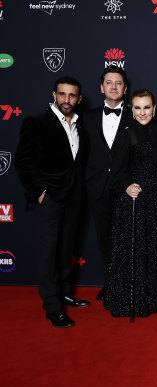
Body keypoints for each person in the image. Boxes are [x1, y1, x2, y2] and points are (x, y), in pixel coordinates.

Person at [14, 76, 90, 328]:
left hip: (74, 196)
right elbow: (23, 161)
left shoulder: (81, 125)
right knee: (48, 253)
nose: (66, 100)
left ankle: (65, 292)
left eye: (71, 96)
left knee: (66, 248)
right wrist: (39, 191)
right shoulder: (36, 122)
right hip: (50, 197)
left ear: (79, 99)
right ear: (54, 95)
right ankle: (52, 305)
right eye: (62, 94)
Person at [103, 89, 157, 318]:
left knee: (155, 247)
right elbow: (116, 172)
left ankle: (154, 298)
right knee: (137, 249)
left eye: (147, 107)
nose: (143, 112)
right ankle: (135, 300)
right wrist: (127, 186)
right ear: (132, 109)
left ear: (155, 109)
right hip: (136, 199)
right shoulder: (127, 133)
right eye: (138, 108)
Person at [83, 65, 132, 301]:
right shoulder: (87, 118)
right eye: (109, 83)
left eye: (119, 83)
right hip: (98, 189)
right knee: (105, 240)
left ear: (125, 89)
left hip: (127, 190)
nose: (114, 87)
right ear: (102, 88)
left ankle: (131, 286)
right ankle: (111, 284)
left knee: (129, 239)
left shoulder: (136, 115)